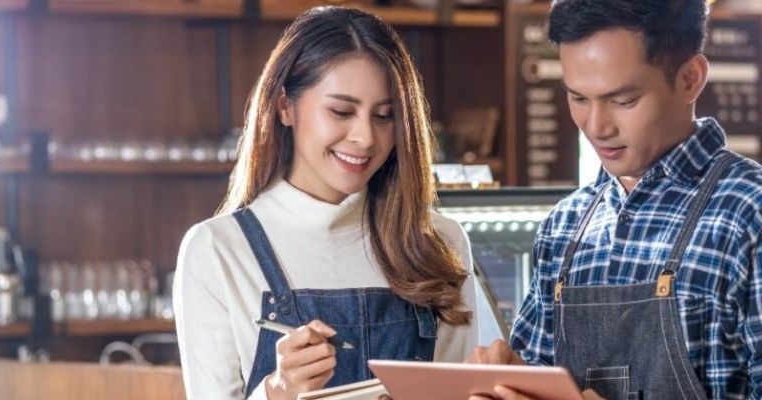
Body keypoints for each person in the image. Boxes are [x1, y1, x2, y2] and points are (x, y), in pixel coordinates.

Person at [173, 6, 478, 400]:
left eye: (385, 116)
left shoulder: (439, 242)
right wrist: (278, 390)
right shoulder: (217, 250)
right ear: (285, 106)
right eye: (341, 111)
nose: (365, 137)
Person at [467, 0, 762, 399]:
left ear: (690, 78)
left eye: (623, 101)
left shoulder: (748, 215)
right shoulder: (565, 227)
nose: (596, 126)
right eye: (578, 98)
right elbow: (535, 376)